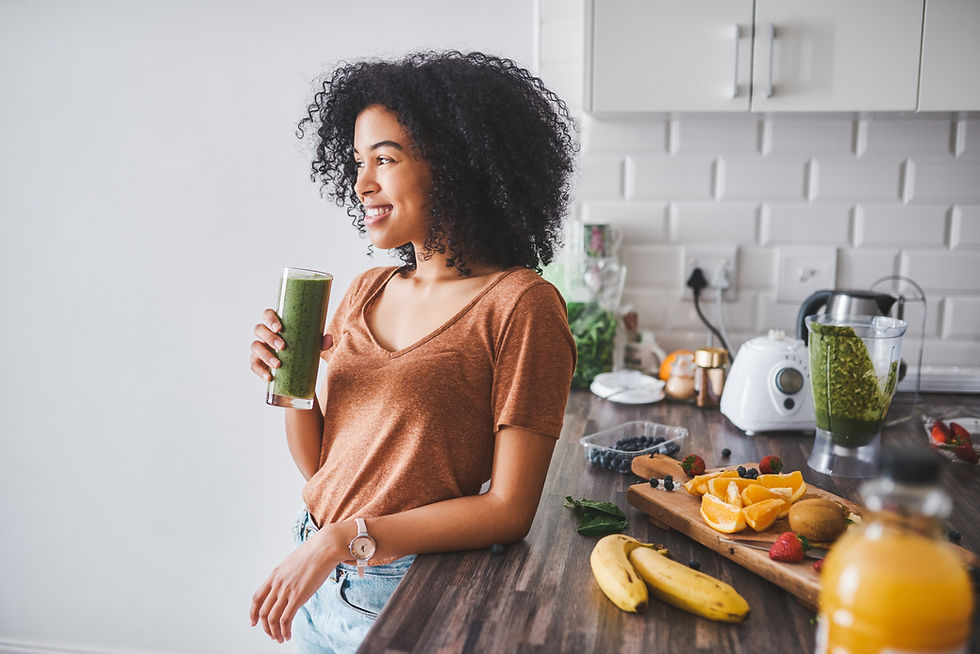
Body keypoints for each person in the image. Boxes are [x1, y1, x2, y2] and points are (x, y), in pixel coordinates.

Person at [247, 50, 577, 653]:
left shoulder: (521, 305)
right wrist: (288, 381)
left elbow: (509, 509)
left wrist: (343, 540)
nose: (361, 183)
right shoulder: (365, 290)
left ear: (454, 165)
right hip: (315, 571)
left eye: (385, 159)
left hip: (402, 590)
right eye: (356, 162)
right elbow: (324, 467)